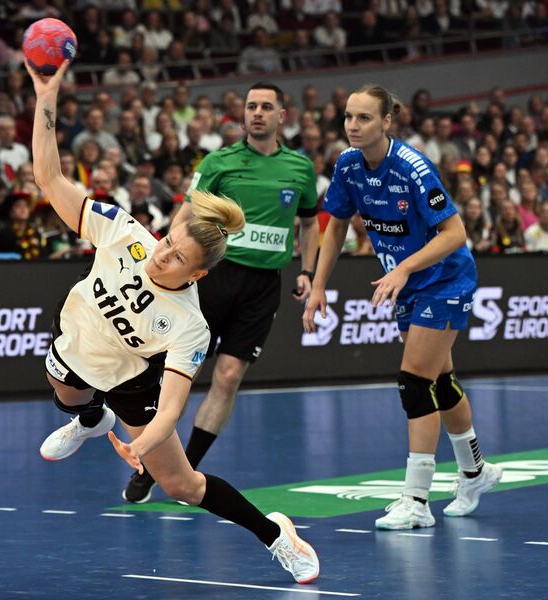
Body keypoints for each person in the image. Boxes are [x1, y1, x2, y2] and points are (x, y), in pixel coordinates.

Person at [27, 60, 319, 585]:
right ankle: (91, 420)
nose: (161, 256)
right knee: (65, 391)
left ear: (198, 274)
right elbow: (49, 177)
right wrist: (46, 96)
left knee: (182, 486)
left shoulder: (190, 325)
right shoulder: (124, 232)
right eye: (167, 243)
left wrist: (140, 447)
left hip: (130, 377)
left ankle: (276, 535)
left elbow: (171, 409)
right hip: (76, 334)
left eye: (177, 258)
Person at [303, 84, 502, 530]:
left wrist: (404, 269)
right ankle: (475, 472)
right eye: (349, 117)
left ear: (387, 121)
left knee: (414, 382)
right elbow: (336, 226)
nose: (353, 125)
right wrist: (318, 285)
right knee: (440, 380)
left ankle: (416, 500)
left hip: (444, 278)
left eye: (364, 118)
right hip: (409, 283)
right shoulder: (348, 164)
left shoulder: (413, 167)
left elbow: (455, 234)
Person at [124, 82, 319, 505]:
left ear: (282, 116)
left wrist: (308, 270)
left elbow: (309, 223)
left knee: (228, 377)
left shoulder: (300, 168)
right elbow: (186, 214)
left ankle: (186, 471)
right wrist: (167, 259)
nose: (257, 113)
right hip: (215, 277)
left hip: (263, 285)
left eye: (266, 106)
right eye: (251, 106)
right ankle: (151, 463)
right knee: (178, 373)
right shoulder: (219, 162)